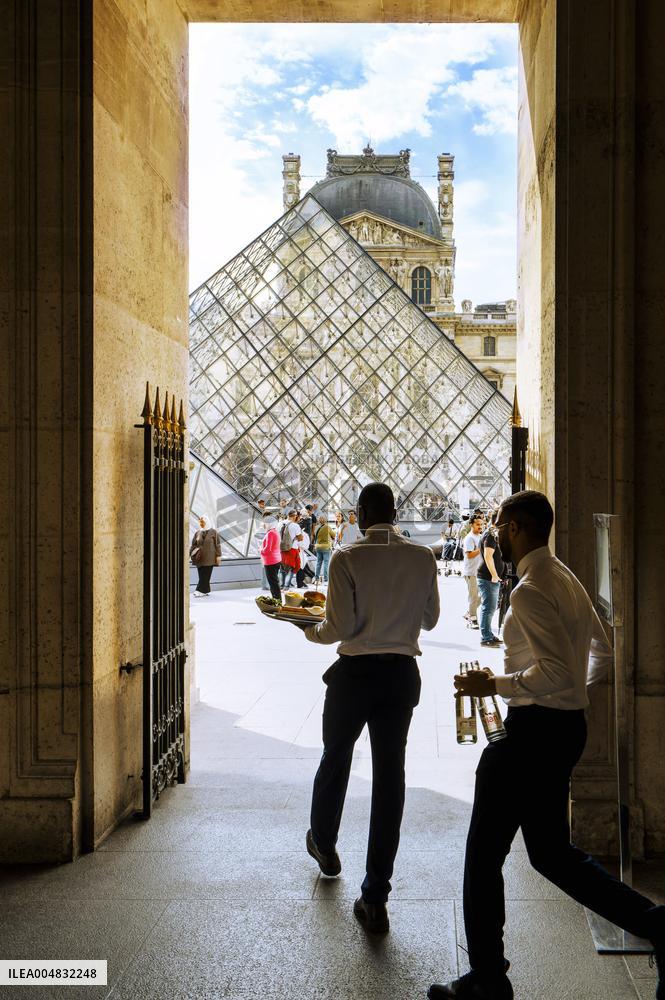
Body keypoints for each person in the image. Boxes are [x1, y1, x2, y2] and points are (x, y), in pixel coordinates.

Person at [428, 490, 665, 1000]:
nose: (494, 531)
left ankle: (488, 978)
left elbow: (556, 668)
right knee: (552, 854)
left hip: (531, 734)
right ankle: (659, 926)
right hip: (562, 728)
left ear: (515, 525)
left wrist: (495, 684)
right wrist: (572, 694)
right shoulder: (566, 577)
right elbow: (601, 650)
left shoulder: (529, 589)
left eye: (498, 522)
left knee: (483, 857)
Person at [296, 483, 440, 935]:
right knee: (390, 778)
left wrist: (308, 630)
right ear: (395, 513)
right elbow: (431, 620)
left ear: (360, 514)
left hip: (354, 675)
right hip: (400, 675)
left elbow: (337, 626)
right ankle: (376, 895)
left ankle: (324, 843)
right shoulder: (423, 557)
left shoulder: (346, 558)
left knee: (335, 758)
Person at [476, 512, 505, 647]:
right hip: (488, 578)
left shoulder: (492, 534)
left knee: (491, 607)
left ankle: (488, 634)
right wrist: (494, 575)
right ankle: (485, 637)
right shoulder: (490, 535)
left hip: (491, 578)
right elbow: (488, 556)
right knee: (488, 608)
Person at [189, 516, 221, 597]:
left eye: (203, 523)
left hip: (210, 557)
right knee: (201, 574)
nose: (201, 524)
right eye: (200, 523)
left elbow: (217, 545)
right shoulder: (197, 532)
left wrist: (218, 556)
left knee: (206, 574)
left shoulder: (213, 532)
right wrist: (190, 554)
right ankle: (205, 590)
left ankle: (198, 590)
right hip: (199, 557)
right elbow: (193, 545)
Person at [462, 515, 483, 628]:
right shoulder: (469, 538)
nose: (480, 526)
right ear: (471, 525)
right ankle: (473, 619)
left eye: (481, 524)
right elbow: (469, 555)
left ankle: (469, 613)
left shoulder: (481, 536)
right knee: (473, 597)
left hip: (479, 572)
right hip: (471, 572)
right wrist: (482, 548)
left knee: (483, 596)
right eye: (477, 524)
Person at [259, 512, 282, 602]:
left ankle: (277, 601)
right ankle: (277, 600)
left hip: (271, 561)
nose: (264, 524)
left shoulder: (270, 533)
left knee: (273, 583)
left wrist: (260, 550)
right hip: (276, 559)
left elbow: (268, 549)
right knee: (274, 582)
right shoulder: (275, 532)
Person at [279, 510, 303, 589]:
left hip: (281, 548)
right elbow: (300, 538)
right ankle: (286, 586)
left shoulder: (280, 523)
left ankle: (281, 585)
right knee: (291, 568)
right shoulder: (295, 525)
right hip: (291, 549)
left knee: (282, 567)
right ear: (295, 516)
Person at [313, 515, 333, 584]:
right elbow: (333, 535)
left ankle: (316, 578)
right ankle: (325, 579)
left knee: (318, 563)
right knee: (326, 563)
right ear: (325, 520)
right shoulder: (327, 527)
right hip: (326, 547)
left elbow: (314, 536)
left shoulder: (316, 528)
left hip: (318, 547)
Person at [295, 523, 310, 589]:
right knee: (300, 567)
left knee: (300, 567)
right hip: (298, 552)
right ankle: (300, 583)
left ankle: (299, 583)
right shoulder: (302, 534)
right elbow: (305, 545)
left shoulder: (297, 532)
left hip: (297, 551)